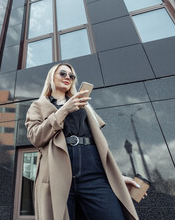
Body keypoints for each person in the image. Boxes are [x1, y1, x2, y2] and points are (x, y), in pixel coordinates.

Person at [25, 63, 142, 220]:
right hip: (56, 174)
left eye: (71, 76)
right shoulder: (38, 105)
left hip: (92, 173)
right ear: (52, 76)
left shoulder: (83, 105)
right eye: (63, 73)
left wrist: (116, 177)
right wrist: (64, 110)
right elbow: (35, 137)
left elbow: (97, 144)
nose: (68, 77)